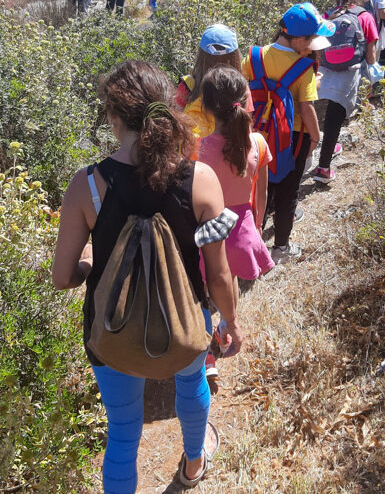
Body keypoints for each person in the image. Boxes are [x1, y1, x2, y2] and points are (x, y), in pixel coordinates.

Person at [52, 60, 243, 494]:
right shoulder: (201, 179)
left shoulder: (87, 185)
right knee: (192, 384)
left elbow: (63, 277)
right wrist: (231, 322)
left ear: (113, 117)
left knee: (122, 430)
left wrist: (89, 261)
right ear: (168, 108)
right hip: (185, 320)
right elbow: (219, 275)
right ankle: (193, 464)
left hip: (111, 330)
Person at [242, 3, 331, 262]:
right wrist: (316, 137)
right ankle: (280, 248)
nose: (312, 46)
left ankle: (253, 242)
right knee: (288, 191)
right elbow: (306, 108)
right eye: (311, 40)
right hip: (293, 137)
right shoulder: (304, 67)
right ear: (299, 39)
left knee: (261, 187)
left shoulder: (254, 56)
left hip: (257, 134)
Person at [198, 66, 273, 283]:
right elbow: (262, 193)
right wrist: (258, 224)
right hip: (244, 230)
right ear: (245, 100)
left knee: (219, 285)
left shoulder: (200, 148)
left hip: (213, 232)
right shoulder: (258, 143)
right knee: (232, 283)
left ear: (206, 107)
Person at [313, 0, 379, 184]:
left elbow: (317, 48)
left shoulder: (328, 15)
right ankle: (323, 169)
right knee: (335, 117)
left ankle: (328, 149)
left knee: (324, 118)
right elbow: (371, 58)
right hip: (350, 74)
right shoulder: (364, 17)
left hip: (325, 72)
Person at [177, 24, 253, 146]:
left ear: (201, 56)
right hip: (228, 152)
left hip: (194, 154)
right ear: (235, 57)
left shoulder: (188, 85)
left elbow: (177, 124)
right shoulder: (241, 88)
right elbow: (246, 127)